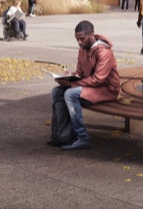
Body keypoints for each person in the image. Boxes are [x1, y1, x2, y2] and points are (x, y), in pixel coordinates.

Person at [50, 20, 119, 151]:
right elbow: (80, 73)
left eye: (82, 39)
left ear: (91, 35)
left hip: (107, 89)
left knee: (70, 94)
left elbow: (99, 79)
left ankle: (82, 138)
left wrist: (71, 84)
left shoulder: (104, 52)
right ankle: (61, 137)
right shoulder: (82, 50)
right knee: (57, 92)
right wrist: (69, 76)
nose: (79, 42)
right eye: (77, 39)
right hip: (92, 86)